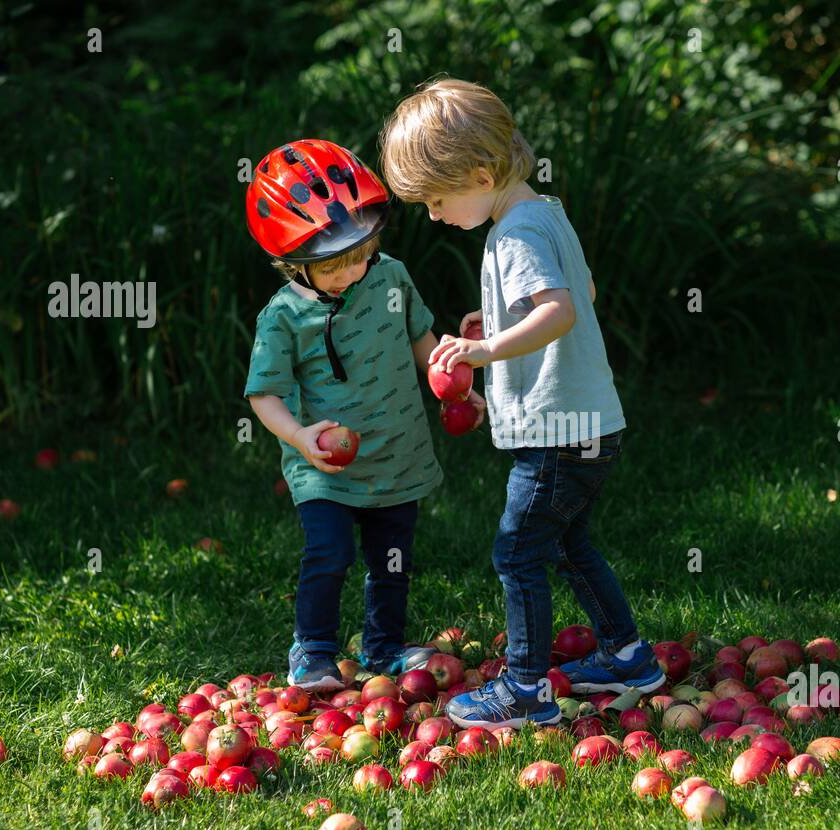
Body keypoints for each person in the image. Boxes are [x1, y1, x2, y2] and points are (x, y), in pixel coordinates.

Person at [378, 79, 664, 729]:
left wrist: (484, 352)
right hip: (592, 425)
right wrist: (501, 322)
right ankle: (629, 658)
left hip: (559, 432)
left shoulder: (514, 237)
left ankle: (526, 690)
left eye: (437, 199)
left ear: (481, 174)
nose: (433, 214)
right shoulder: (545, 214)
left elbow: (559, 309)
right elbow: (581, 290)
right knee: (568, 544)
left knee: (518, 553)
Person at [242, 139, 484, 691]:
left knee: (392, 559)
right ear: (291, 260)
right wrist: (299, 436)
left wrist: (450, 385)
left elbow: (420, 336)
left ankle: (384, 648)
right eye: (333, 267)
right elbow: (264, 394)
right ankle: (314, 651)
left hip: (396, 450)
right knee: (329, 553)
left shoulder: (390, 276)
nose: (352, 273)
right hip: (323, 462)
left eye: (360, 255)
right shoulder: (281, 318)